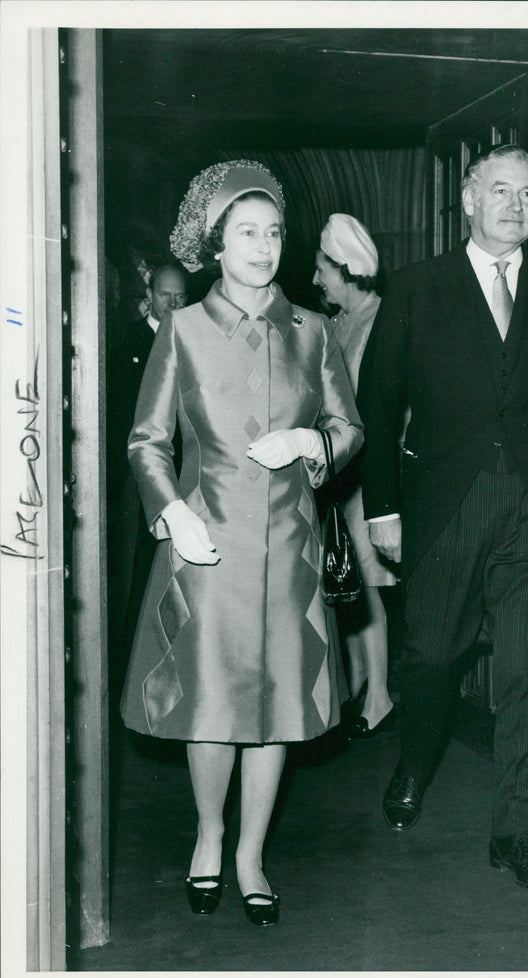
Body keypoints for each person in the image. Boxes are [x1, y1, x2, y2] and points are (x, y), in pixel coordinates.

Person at [357, 144, 528, 892]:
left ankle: (514, 832)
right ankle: (416, 757)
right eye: (501, 190)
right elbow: (376, 405)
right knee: (432, 658)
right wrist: (382, 509)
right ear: (469, 199)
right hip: (445, 505)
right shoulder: (416, 289)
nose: (516, 205)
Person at [119, 160, 363, 926]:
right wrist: (171, 511)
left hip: (289, 549)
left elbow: (349, 428)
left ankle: (253, 853)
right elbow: (146, 442)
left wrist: (310, 441)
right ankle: (210, 832)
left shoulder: (312, 330)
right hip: (208, 547)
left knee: (276, 709)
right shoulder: (183, 330)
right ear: (217, 246)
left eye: (273, 233)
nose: (263, 247)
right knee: (213, 703)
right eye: (246, 234)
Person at [312, 214, 398, 739]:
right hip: (338, 474)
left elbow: (379, 413)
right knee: (342, 581)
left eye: (323, 269)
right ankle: (360, 683)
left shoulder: (381, 321)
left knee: (364, 584)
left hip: (368, 476)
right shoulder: (338, 323)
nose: (317, 279)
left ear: (345, 269)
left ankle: (381, 696)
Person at [107, 264, 189, 671]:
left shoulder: (192, 339)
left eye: (180, 297)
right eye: (165, 296)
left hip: (184, 474)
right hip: (139, 475)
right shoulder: (129, 343)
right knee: (136, 568)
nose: (173, 303)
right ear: (149, 294)